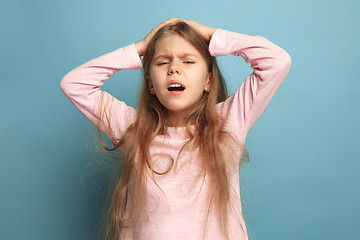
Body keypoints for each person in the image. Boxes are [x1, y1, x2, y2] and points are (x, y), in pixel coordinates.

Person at [60, 18, 291, 240]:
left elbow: (277, 61)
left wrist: (212, 36)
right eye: (162, 62)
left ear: (209, 81)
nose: (174, 69)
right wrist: (140, 48)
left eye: (188, 61)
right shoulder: (133, 128)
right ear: (151, 84)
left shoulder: (229, 122)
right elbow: (74, 84)